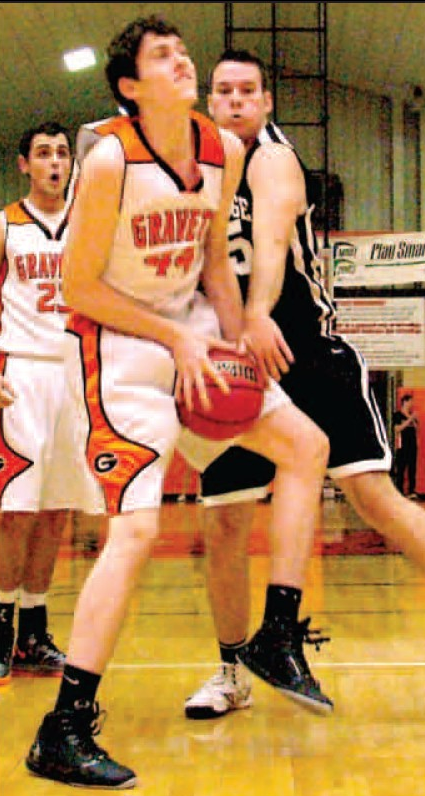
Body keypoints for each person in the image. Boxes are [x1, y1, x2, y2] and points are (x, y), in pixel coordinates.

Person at [25, 16, 331, 790]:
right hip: (117, 345)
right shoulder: (107, 163)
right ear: (130, 86)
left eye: (182, 51)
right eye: (165, 57)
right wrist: (175, 339)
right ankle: (62, 727)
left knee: (306, 448)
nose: (184, 63)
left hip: (189, 329)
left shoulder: (219, 150)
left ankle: (276, 633)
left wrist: (235, 338)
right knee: (136, 531)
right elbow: (79, 288)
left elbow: (212, 268)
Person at [184, 48, 425, 721]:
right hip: (232, 365)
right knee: (225, 523)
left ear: (264, 103)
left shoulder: (272, 157)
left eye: (246, 91)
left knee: (376, 501)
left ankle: (274, 637)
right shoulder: (198, 173)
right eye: (222, 91)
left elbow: (267, 244)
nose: (234, 101)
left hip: (304, 352)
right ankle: (232, 669)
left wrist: (258, 313)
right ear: (209, 102)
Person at [0, 122, 77, 686]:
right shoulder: (5, 225)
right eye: (45, 154)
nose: (56, 162)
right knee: (15, 512)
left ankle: (34, 631)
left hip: (76, 377)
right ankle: (1, 629)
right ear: (24, 164)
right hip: (20, 372)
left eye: (63, 152)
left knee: (56, 512)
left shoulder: (92, 227)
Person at [393, 393, 419, 498]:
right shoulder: (397, 415)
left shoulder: (412, 416)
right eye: (410, 401)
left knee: (412, 468)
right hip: (402, 446)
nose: (412, 404)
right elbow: (397, 429)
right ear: (405, 402)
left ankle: (411, 491)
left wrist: (413, 419)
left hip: (412, 446)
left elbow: (417, 429)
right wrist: (409, 420)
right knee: (401, 468)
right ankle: (399, 491)